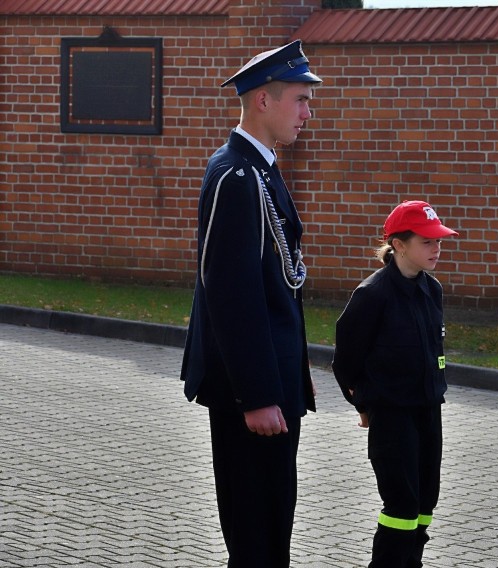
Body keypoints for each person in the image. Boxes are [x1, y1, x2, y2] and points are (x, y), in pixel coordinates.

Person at [179, 39, 321, 567]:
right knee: (256, 536)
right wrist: (258, 396)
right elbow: (231, 293)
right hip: (254, 396)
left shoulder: (261, 168)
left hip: (275, 387)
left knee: (272, 524)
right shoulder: (236, 175)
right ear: (264, 99)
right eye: (300, 100)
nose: (308, 112)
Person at [332, 200, 458, 568]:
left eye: (439, 241)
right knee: (400, 505)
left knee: (424, 502)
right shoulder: (373, 294)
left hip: (428, 410)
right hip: (392, 415)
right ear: (399, 245)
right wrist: (364, 406)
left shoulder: (431, 289)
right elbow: (347, 359)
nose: (436, 249)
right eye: (427, 242)